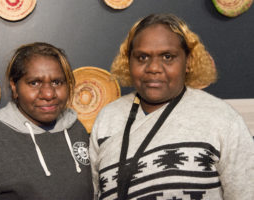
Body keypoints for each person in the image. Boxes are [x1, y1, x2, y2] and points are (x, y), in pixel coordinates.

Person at [89, 14, 254, 200]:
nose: (153, 68)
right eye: (142, 57)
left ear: (189, 61)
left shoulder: (222, 118)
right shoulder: (107, 119)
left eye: (167, 57)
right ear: (128, 62)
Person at [0, 42, 93, 200]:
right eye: (34, 83)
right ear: (15, 87)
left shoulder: (77, 130)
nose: (48, 94)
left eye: (57, 82)